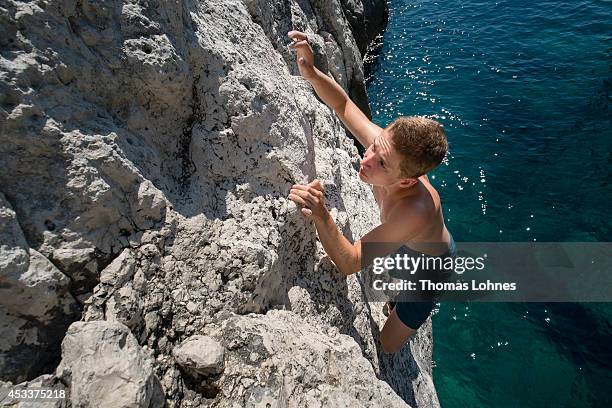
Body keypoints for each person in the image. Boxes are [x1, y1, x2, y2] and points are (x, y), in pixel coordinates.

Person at [286, 31, 455, 353]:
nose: (366, 160)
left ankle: (399, 306)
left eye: (381, 163)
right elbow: (343, 103)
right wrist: (311, 70)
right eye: (372, 148)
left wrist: (321, 214)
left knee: (387, 345)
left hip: (430, 266)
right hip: (409, 240)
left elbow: (349, 263)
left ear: (406, 180)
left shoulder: (414, 210)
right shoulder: (388, 150)